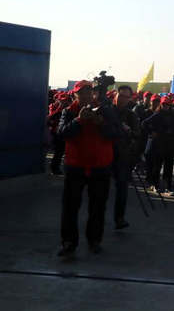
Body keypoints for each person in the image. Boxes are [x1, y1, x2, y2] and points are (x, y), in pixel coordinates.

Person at [57, 80, 120, 256]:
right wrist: (79, 120)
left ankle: (94, 240)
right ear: (75, 95)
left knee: (98, 207)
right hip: (75, 166)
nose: (84, 96)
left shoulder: (106, 111)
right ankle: (69, 242)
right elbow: (62, 134)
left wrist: (100, 123)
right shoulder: (69, 112)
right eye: (80, 93)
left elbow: (116, 134)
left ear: (93, 94)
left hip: (100, 167)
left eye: (87, 92)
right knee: (70, 207)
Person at [111, 85, 140, 230]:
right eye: (121, 96)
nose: (123, 99)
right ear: (115, 95)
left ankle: (119, 218)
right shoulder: (107, 111)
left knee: (122, 188)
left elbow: (137, 135)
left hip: (122, 155)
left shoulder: (131, 115)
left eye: (126, 97)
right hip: (105, 154)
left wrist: (127, 130)